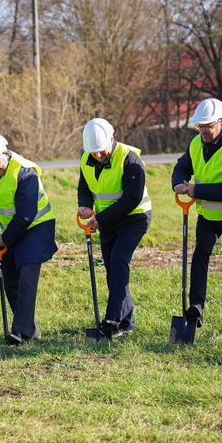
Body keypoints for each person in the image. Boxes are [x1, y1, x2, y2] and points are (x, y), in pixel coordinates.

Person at [172, 97, 222, 328]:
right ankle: (196, 307)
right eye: (200, 126)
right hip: (208, 216)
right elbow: (182, 166)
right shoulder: (196, 143)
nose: (203, 131)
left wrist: (196, 189)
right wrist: (178, 181)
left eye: (208, 126)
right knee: (200, 256)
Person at [0, 132, 57, 345]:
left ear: (5, 152)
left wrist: (5, 239)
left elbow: (26, 215)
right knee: (10, 279)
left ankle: (20, 332)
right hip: (12, 231)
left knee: (26, 278)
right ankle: (29, 329)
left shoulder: (24, 172)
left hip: (37, 227)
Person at [77, 118, 151, 339]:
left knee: (119, 260)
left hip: (134, 218)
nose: (98, 155)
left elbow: (132, 198)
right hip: (107, 221)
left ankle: (112, 318)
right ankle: (128, 322)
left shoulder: (129, 158)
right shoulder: (86, 158)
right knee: (112, 270)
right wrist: (84, 204)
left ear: (111, 138)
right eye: (93, 152)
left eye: (101, 150)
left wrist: (101, 219)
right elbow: (85, 185)